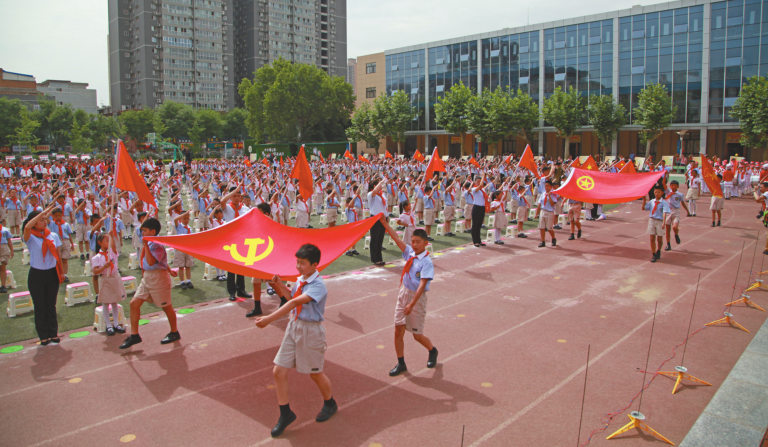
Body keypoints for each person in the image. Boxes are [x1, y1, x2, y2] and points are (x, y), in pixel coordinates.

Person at [255, 244, 337, 437]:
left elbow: (294, 302)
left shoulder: (318, 285)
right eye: (297, 262)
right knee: (278, 370)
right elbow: (290, 297)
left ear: (315, 265)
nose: (298, 266)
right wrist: (278, 285)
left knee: (315, 374)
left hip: (311, 331)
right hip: (294, 326)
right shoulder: (301, 279)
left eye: (302, 263)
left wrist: (269, 319)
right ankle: (286, 414)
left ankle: (330, 403)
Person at [379, 216, 438, 376]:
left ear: (426, 243)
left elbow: (422, 285)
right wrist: (385, 223)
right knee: (398, 330)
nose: (415, 244)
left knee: (417, 336)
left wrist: (412, 304)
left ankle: (432, 351)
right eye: (413, 241)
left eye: (418, 241)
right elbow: (396, 237)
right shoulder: (410, 253)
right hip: (404, 292)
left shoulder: (427, 262)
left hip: (416, 298)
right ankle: (401, 363)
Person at [120, 218, 180, 349]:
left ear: (153, 232)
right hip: (148, 277)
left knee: (166, 307)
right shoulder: (149, 242)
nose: (142, 233)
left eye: (145, 231)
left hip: (158, 278)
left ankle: (174, 332)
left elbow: (152, 262)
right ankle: (134, 335)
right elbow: (159, 261)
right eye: (142, 230)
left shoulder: (156, 244)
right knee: (134, 304)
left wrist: (146, 245)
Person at [23, 204, 64, 345]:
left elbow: (57, 256)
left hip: (52, 274)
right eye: (41, 219)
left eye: (45, 219)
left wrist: (62, 273)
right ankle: (44, 336)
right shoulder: (30, 237)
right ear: (34, 222)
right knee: (40, 306)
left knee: (51, 305)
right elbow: (27, 227)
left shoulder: (52, 235)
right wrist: (43, 211)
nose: (44, 221)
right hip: (37, 276)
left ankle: (53, 333)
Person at [221, 185, 253, 301]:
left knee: (240, 266)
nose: (236, 198)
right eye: (233, 195)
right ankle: (232, 291)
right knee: (231, 268)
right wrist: (233, 190)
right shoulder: (228, 208)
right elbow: (222, 201)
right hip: (230, 240)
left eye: (238, 195)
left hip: (242, 240)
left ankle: (241, 289)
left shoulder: (245, 209)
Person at [91, 232, 127, 336]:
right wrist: (104, 267)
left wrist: (111, 236)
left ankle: (116, 324)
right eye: (106, 241)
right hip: (105, 280)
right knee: (106, 302)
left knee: (115, 301)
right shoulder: (96, 257)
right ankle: (108, 325)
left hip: (114, 278)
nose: (109, 242)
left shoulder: (112, 253)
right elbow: (95, 272)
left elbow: (114, 247)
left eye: (109, 241)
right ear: (100, 243)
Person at [642, 186, 671, 263]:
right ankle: (653, 254)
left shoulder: (664, 202)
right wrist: (644, 200)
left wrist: (664, 222)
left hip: (660, 221)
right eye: (655, 192)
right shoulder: (652, 201)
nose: (656, 194)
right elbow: (644, 208)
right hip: (652, 220)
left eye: (658, 192)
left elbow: (664, 212)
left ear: (662, 193)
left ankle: (659, 250)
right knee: (652, 238)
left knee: (660, 239)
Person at [367, 178, 388, 266]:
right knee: (375, 239)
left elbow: (384, 206)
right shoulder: (371, 194)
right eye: (378, 184)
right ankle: (375, 258)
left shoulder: (382, 195)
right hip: (375, 218)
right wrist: (381, 181)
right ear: (375, 186)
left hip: (383, 218)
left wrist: (387, 216)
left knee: (380, 239)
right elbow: (375, 191)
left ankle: (379, 257)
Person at [664, 180, 690, 251]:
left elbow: (683, 203)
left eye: (674, 185)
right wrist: (664, 174)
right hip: (668, 211)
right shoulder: (668, 192)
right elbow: (663, 183)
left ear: (677, 186)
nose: (673, 186)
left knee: (675, 227)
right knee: (667, 229)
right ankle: (668, 244)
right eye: (672, 185)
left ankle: (676, 234)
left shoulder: (680, 195)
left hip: (676, 211)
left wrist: (688, 211)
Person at [173, 211, 195, 290]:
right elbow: (175, 219)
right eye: (184, 219)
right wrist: (182, 214)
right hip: (180, 249)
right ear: (181, 219)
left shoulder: (190, 228)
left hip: (188, 248)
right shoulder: (178, 226)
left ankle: (188, 281)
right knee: (181, 266)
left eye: (187, 219)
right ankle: (182, 282)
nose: (186, 220)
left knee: (188, 265)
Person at [535, 180, 558, 247]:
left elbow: (552, 203)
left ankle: (553, 238)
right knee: (541, 227)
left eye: (548, 186)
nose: (546, 187)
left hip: (550, 212)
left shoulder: (553, 194)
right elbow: (539, 204)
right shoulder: (543, 194)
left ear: (551, 187)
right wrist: (537, 213)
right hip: (543, 211)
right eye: (545, 186)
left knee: (549, 228)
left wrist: (549, 196)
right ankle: (543, 241)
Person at [470, 174, 489, 247]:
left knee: (479, 225)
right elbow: (480, 186)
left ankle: (479, 240)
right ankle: (475, 241)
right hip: (476, 207)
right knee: (475, 225)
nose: (479, 182)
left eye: (480, 181)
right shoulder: (474, 189)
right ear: (475, 182)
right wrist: (483, 176)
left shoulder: (483, 189)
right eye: (477, 181)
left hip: (482, 207)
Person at [0, 220, 13, 293]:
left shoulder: (5, 230)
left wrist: (11, 250)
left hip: (3, 248)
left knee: (3, 267)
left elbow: (9, 241)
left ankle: (3, 286)